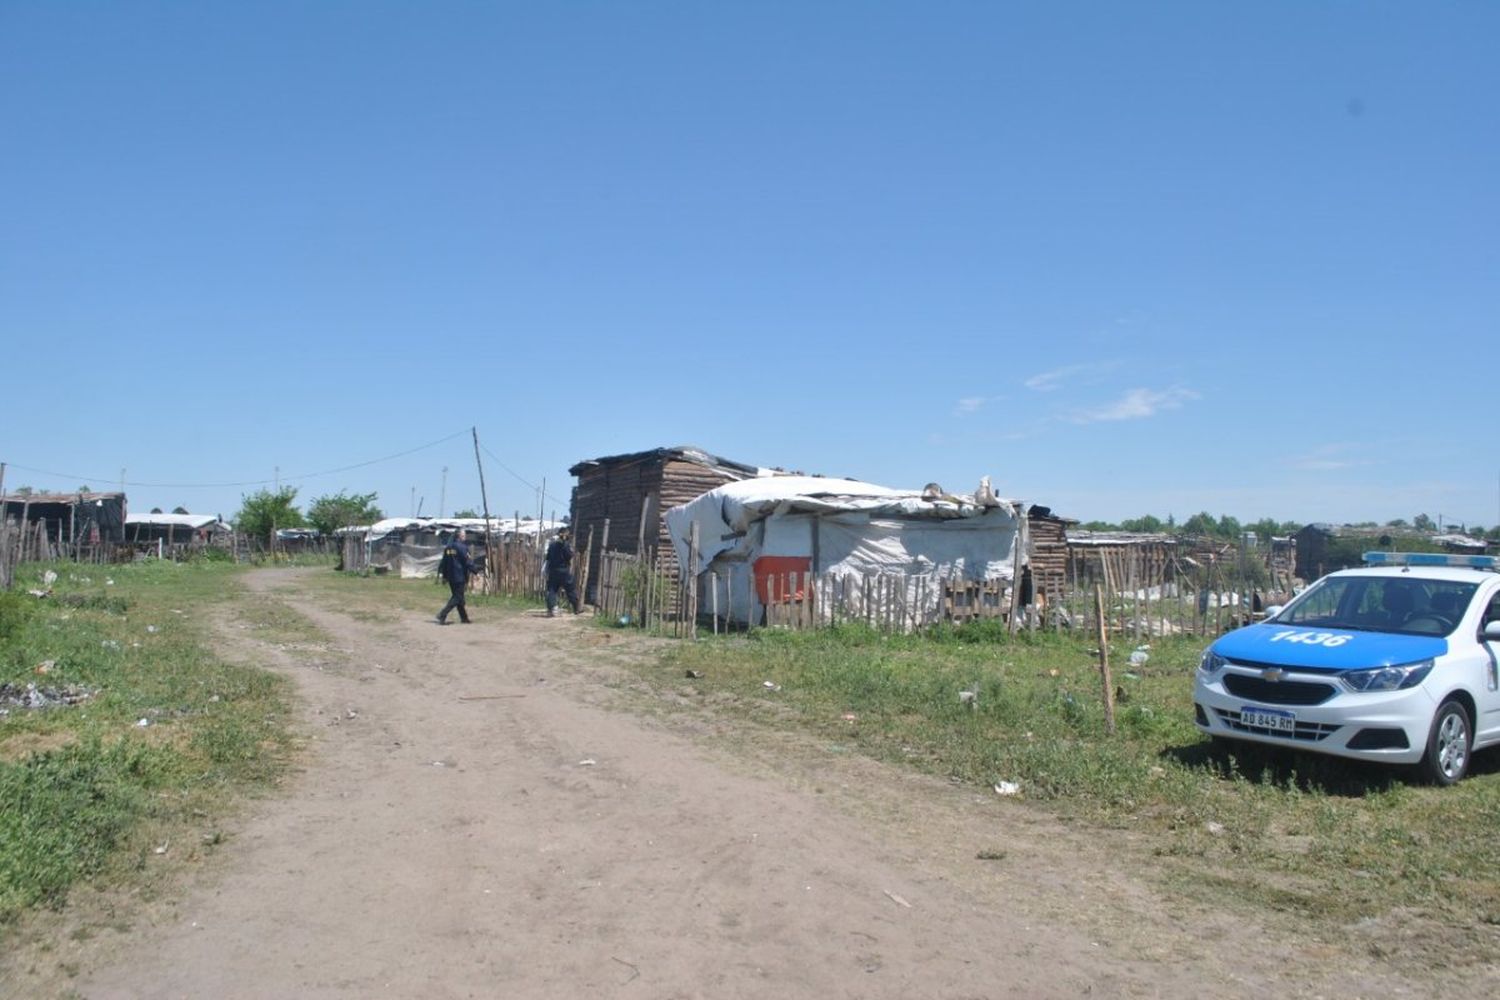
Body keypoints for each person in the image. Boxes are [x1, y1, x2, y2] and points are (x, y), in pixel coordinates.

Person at [436, 528, 475, 624]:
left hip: (451, 576)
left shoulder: (449, 548)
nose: (465, 536)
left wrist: (444, 576)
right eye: (464, 535)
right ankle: (442, 614)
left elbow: (444, 562)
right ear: (460, 536)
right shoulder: (462, 547)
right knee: (457, 597)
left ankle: (464, 618)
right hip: (459, 576)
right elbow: (468, 562)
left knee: (459, 597)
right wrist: (475, 571)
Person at [544, 528, 581, 617]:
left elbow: (548, 557)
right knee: (570, 589)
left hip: (553, 571)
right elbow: (569, 556)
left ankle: (552, 609)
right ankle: (576, 609)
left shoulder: (552, 545)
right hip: (563, 571)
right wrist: (566, 545)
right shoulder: (566, 545)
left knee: (552, 589)